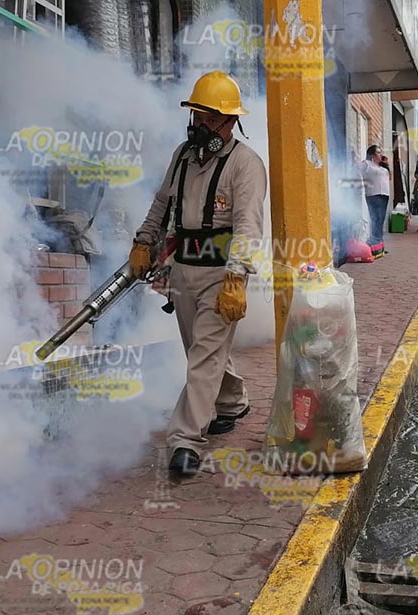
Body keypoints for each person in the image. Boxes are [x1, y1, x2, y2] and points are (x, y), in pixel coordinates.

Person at [128, 71, 266, 476]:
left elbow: (248, 226)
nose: (201, 125)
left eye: (210, 118)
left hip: (222, 274)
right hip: (184, 269)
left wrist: (236, 277)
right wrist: (143, 241)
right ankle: (232, 402)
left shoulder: (246, 164)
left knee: (203, 356)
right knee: (201, 351)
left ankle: (185, 440)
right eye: (198, 116)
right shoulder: (183, 157)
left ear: (230, 122)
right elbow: (162, 203)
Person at [357, 145, 391, 257]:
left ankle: (380, 245)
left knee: (381, 220)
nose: (381, 155)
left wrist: (386, 165)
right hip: (373, 194)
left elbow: (389, 177)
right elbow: (356, 168)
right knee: (375, 219)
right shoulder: (367, 164)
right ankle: (374, 244)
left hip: (384, 195)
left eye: (381, 152)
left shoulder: (382, 167)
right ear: (372, 154)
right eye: (378, 152)